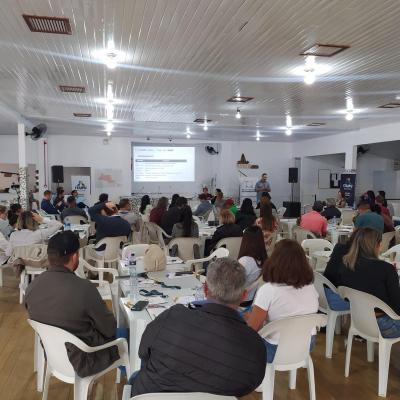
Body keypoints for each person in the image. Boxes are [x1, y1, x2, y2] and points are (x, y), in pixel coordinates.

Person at [129, 258, 266, 397]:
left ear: (206, 289)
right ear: (243, 296)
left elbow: (144, 353)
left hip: (152, 394)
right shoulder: (254, 345)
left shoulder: (172, 316)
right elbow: (249, 385)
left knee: (136, 376)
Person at [25, 231, 119, 377]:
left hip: (52, 355)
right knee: (127, 335)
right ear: (75, 257)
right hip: (85, 360)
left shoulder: (32, 287)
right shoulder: (84, 288)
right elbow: (110, 328)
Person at [246, 239, 319, 363]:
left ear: (274, 261)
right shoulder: (311, 288)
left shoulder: (268, 290)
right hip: (306, 344)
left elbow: (252, 329)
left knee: (240, 324)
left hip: (274, 349)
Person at [324, 228, 400, 338]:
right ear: (377, 245)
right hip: (385, 326)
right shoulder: (386, 269)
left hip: (358, 321)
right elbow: (397, 309)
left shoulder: (345, 264)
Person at [238, 226, 267, 303]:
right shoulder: (263, 258)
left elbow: (235, 284)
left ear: (245, 240)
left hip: (241, 300)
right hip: (253, 298)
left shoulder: (245, 261)